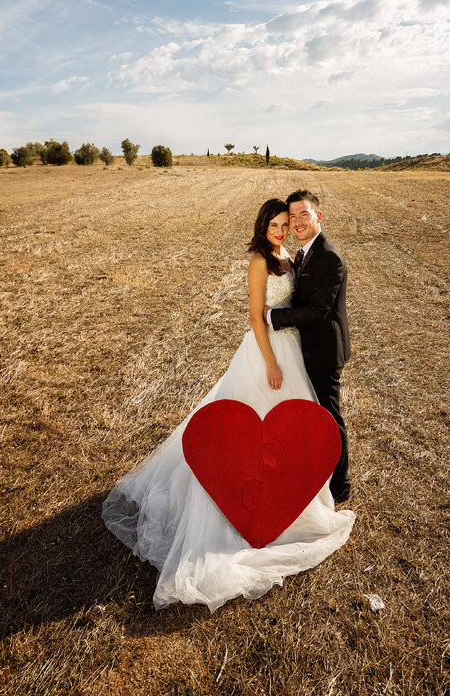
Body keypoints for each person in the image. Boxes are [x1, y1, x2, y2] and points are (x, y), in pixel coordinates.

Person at [101, 198, 355, 612]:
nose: (282, 228)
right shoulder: (260, 260)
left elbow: (305, 306)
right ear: (264, 225)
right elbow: (257, 317)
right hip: (267, 354)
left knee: (298, 420)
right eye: (276, 222)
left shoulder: (289, 256)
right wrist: (271, 361)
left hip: (294, 350)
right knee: (251, 417)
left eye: (287, 221)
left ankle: (296, 486)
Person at [265, 189, 352, 502]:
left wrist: (273, 316)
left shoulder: (330, 258)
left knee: (329, 417)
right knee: (312, 415)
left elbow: (318, 310)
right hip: (305, 345)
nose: (298, 221)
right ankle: (316, 471)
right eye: (293, 216)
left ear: (318, 217)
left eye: (304, 214)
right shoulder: (302, 252)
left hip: (325, 350)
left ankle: (339, 486)